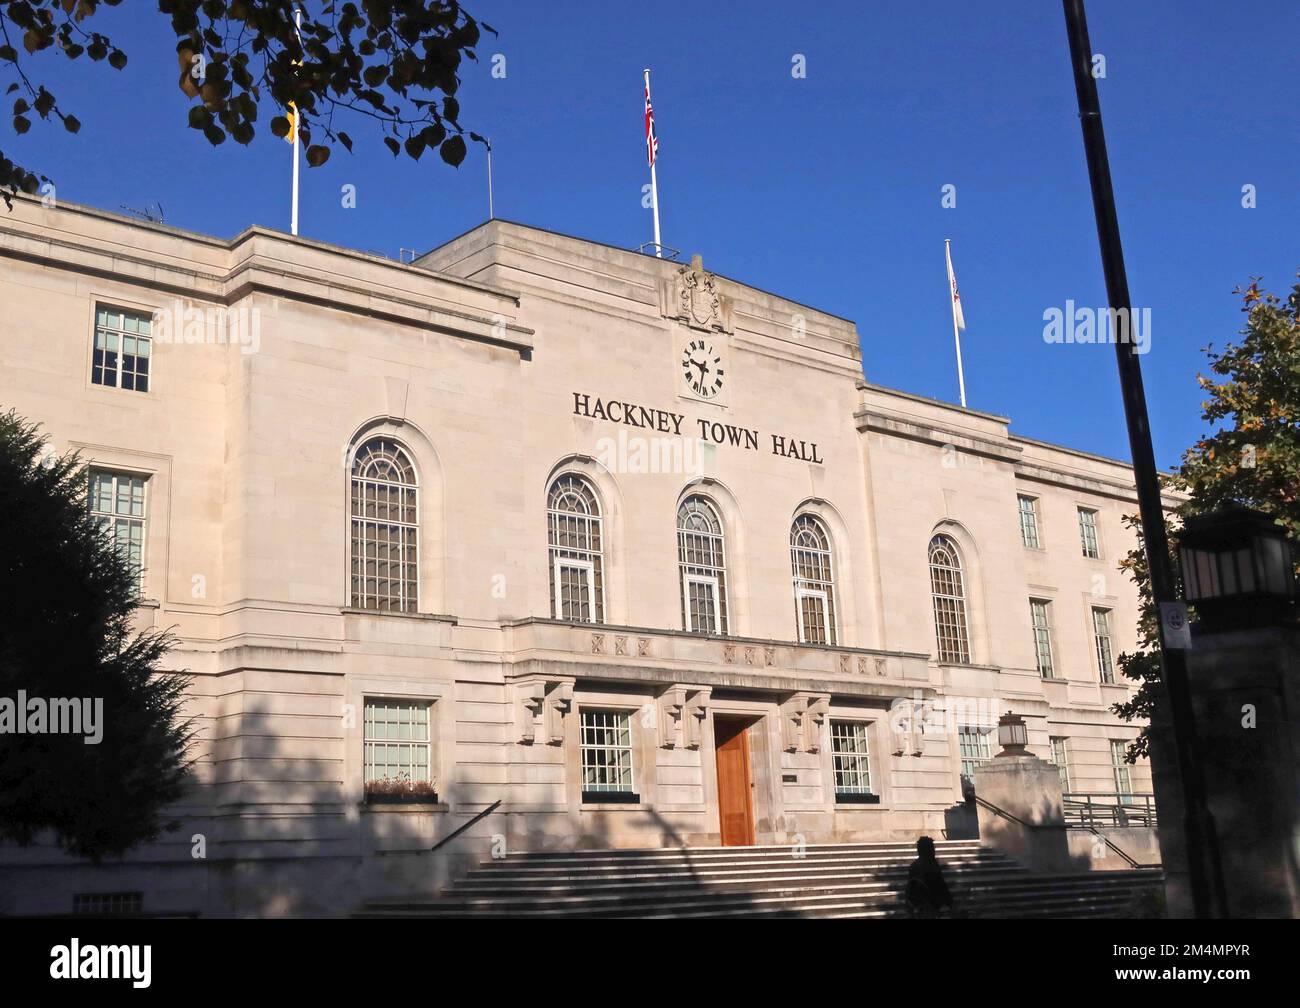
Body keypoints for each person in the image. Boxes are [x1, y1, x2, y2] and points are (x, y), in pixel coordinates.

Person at [905, 836, 953, 916]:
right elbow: (940, 885)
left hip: (922, 907)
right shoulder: (930, 865)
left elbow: (909, 888)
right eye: (932, 848)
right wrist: (949, 902)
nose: (934, 850)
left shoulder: (915, 865)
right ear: (928, 850)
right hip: (930, 906)